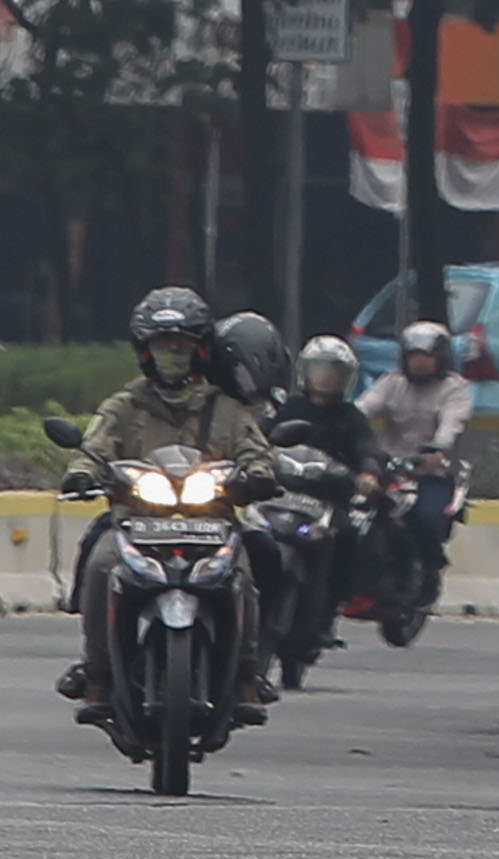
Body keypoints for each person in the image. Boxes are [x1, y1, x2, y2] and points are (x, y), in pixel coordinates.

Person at [58, 286, 281, 721]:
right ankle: (98, 672)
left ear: (201, 349)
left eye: (181, 345)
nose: (172, 354)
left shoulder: (226, 408)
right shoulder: (124, 405)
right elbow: (94, 447)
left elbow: (256, 452)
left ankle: (245, 675)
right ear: (145, 351)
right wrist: (82, 472)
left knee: (244, 575)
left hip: (212, 523)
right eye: (163, 345)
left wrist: (258, 475)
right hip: (135, 521)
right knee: (100, 565)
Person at [356, 316, 475, 458]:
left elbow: (451, 424)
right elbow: (365, 406)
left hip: (436, 465)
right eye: (413, 356)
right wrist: (346, 423)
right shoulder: (392, 382)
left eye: (427, 356)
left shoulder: (455, 388)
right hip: (390, 463)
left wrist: (439, 448)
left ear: (442, 358)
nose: (419, 362)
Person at [267, 334, 372, 470]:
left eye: (334, 371)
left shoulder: (351, 417)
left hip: (334, 482)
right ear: (305, 370)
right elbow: (263, 435)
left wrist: (370, 471)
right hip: (285, 477)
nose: (325, 375)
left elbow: (368, 447)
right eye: (318, 367)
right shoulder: (289, 406)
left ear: (345, 376)